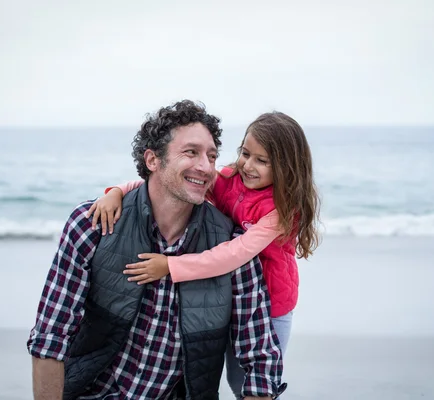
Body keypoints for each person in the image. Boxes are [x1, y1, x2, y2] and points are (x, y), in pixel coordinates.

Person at [27, 100, 286, 400]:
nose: (206, 166)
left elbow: (259, 362)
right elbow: (50, 338)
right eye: (191, 152)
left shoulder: (233, 247)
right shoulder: (92, 226)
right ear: (153, 160)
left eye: (212, 156)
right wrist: (116, 193)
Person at [89, 111, 320, 398]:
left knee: (249, 383)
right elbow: (169, 183)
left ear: (286, 167)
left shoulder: (282, 210)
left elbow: (232, 254)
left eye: (262, 161)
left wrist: (171, 266)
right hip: (222, 294)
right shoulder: (229, 178)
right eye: (245, 153)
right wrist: (117, 192)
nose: (248, 166)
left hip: (270, 304)